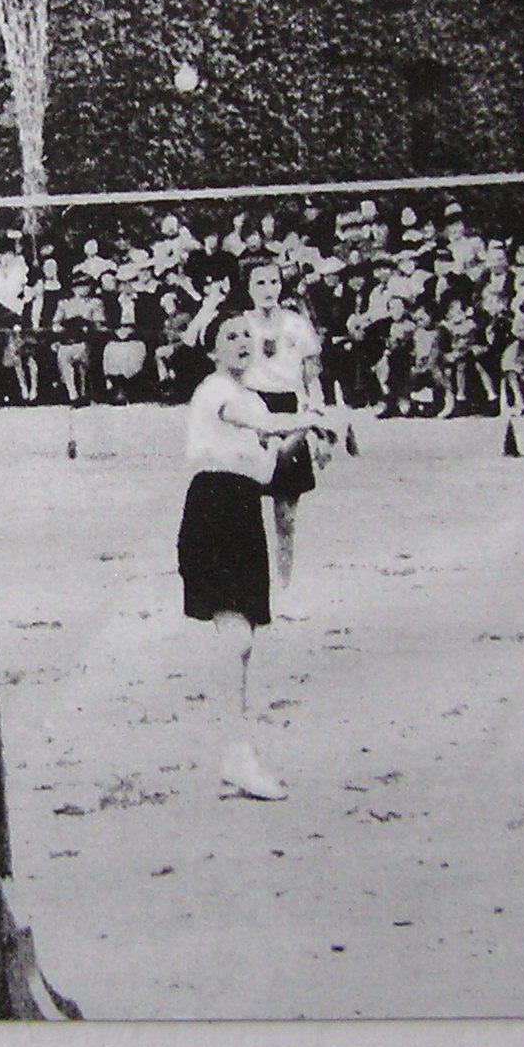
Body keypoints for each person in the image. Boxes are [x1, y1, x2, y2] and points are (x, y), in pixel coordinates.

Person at [178, 312, 333, 801]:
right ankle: (237, 750)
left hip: (243, 512)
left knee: (242, 640)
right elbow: (257, 424)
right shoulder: (215, 390)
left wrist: (310, 432)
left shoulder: (253, 399)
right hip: (213, 510)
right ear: (213, 350)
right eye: (231, 336)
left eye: (247, 334)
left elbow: (268, 468)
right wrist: (310, 417)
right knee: (237, 639)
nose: (243, 341)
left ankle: (236, 749)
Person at [240, 260, 326, 611]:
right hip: (252, 410)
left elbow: (312, 376)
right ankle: (251, 591)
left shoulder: (296, 324)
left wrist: (317, 422)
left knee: (286, 515)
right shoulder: (239, 325)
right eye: (260, 283)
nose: (268, 290)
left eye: (273, 282)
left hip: (289, 410)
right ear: (248, 287)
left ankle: (285, 588)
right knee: (245, 510)